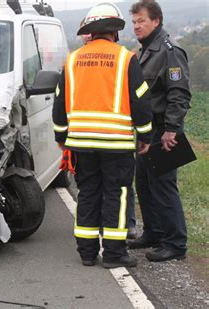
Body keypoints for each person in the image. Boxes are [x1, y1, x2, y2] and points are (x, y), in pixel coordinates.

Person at [52, 2, 153, 268]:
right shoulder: (125, 59)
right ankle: (113, 254)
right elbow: (140, 101)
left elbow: (59, 103)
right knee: (116, 196)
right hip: (116, 144)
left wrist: (61, 136)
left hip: (81, 144)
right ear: (114, 32)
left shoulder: (72, 60)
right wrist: (145, 136)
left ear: (91, 32)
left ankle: (86, 252)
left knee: (87, 193)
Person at [127, 0, 191, 262]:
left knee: (163, 186)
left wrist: (172, 130)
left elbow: (180, 94)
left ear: (156, 21)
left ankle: (175, 242)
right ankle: (153, 232)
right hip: (148, 130)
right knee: (143, 182)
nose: (136, 26)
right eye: (134, 22)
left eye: (141, 21)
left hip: (164, 129)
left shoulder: (169, 51)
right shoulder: (146, 51)